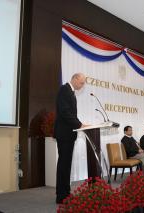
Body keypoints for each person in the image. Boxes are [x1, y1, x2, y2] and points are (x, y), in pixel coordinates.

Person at [54, 73, 88, 204]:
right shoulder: (65, 89)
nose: (82, 85)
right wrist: (79, 124)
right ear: (74, 79)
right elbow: (65, 111)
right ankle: (61, 195)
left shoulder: (70, 92)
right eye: (81, 82)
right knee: (64, 164)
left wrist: (81, 124)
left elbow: (71, 113)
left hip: (68, 133)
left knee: (66, 164)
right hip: (64, 133)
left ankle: (65, 193)